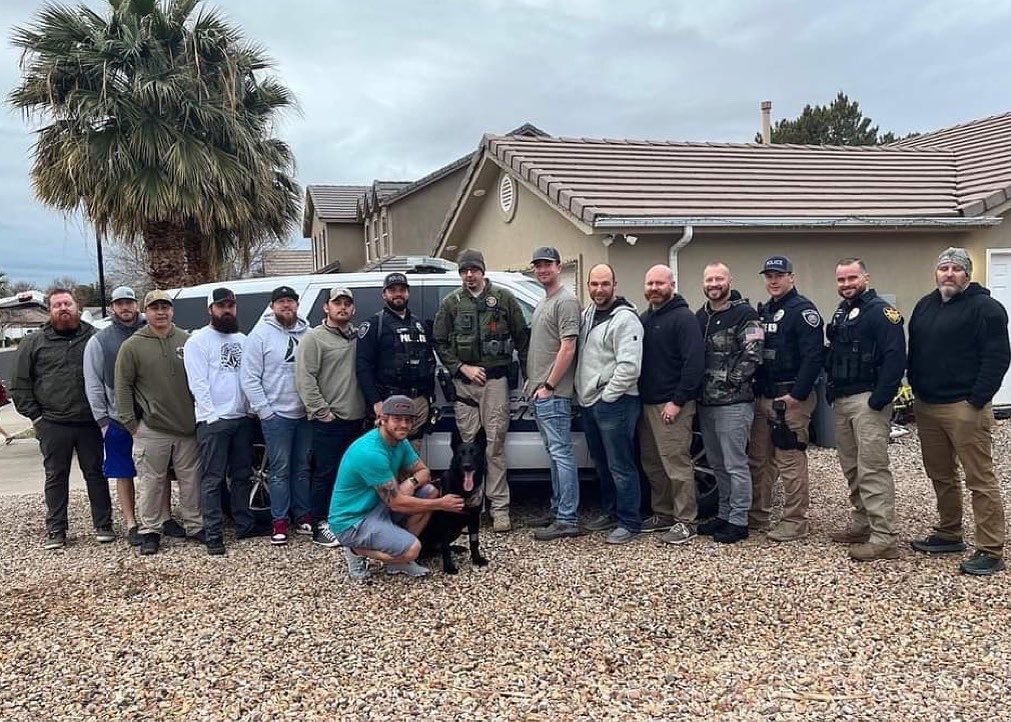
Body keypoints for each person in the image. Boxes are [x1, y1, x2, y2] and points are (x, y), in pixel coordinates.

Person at [907, 247, 1010, 576]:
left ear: (967, 274)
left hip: (965, 407)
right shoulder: (925, 305)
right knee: (941, 475)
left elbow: (997, 358)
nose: (949, 273)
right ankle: (949, 532)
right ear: (935, 273)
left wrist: (977, 400)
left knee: (979, 479)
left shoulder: (987, 309)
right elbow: (917, 351)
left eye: (956, 268)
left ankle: (991, 549)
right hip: (928, 406)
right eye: (943, 268)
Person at [433, 248, 529, 533]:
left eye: (473, 269)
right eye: (464, 271)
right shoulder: (451, 303)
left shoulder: (504, 299)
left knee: (494, 447)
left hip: (495, 383)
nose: (469, 275)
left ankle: (499, 508)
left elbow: (522, 337)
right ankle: (468, 508)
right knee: (467, 451)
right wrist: (461, 367)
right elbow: (439, 341)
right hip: (465, 384)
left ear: (482, 271)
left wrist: (529, 376)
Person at [10, 288, 113, 550]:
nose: (63, 309)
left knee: (96, 474)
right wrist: (36, 418)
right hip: (53, 423)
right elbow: (21, 384)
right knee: (56, 476)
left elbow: (108, 378)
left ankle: (103, 524)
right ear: (50, 310)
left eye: (67, 303)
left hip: (90, 422)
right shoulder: (33, 343)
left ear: (77, 307)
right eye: (57, 305)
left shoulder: (95, 338)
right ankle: (56, 528)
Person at [331, 395, 465, 581]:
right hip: (352, 521)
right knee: (413, 550)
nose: (403, 425)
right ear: (382, 420)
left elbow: (424, 471)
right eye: (397, 419)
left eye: (408, 420)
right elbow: (396, 504)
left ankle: (397, 559)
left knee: (429, 492)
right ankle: (355, 549)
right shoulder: (371, 453)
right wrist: (441, 504)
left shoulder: (400, 442)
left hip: (377, 506)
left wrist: (411, 482)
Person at [825, 259, 906, 561]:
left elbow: (896, 356)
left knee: (872, 467)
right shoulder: (843, 311)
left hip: (868, 400)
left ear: (866, 277)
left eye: (852, 278)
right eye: (841, 279)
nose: (846, 284)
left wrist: (880, 399)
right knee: (852, 468)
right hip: (844, 399)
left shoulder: (882, 312)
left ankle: (884, 538)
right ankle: (863, 523)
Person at [115, 290, 203, 556]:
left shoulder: (187, 341)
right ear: (146, 312)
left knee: (191, 480)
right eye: (155, 308)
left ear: (172, 310)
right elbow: (123, 386)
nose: (161, 312)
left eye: (165, 307)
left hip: (187, 426)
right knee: (152, 482)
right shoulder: (132, 346)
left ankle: (195, 525)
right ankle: (151, 530)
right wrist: (132, 423)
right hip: (152, 428)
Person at [84, 286, 170, 547]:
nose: (125, 308)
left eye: (129, 303)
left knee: (160, 470)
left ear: (137, 305)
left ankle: (164, 517)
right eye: (120, 304)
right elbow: (94, 383)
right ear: (112, 307)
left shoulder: (154, 331)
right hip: (118, 419)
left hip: (155, 417)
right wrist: (103, 422)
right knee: (124, 472)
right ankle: (132, 523)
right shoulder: (100, 341)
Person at [748, 255, 825, 542]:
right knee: (759, 460)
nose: (773, 280)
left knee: (789, 462)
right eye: (768, 275)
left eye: (779, 275)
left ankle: (795, 522)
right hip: (764, 397)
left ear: (791, 277)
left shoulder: (803, 311)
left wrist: (797, 395)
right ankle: (758, 515)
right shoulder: (765, 311)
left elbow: (814, 356)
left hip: (790, 398)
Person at [695, 262, 764, 545]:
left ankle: (739, 520)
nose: (714, 284)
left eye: (719, 279)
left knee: (736, 464)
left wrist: (729, 382)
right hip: (706, 403)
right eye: (709, 279)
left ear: (729, 281)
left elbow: (754, 353)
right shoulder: (702, 316)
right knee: (717, 464)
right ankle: (723, 514)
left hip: (734, 403)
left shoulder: (745, 314)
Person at [184, 287, 255, 556]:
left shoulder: (243, 339)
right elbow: (198, 383)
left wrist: (249, 409)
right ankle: (213, 533)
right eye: (221, 306)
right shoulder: (198, 341)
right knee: (213, 479)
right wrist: (212, 416)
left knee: (241, 475)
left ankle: (244, 524)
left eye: (230, 305)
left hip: (242, 418)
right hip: (213, 421)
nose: (227, 310)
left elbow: (248, 377)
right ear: (210, 310)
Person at [575, 263, 643, 544]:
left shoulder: (625, 320)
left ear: (615, 285)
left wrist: (609, 395)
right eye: (594, 284)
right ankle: (611, 511)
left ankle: (629, 521)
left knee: (621, 465)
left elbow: (629, 367)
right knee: (602, 464)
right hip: (591, 402)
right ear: (587, 286)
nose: (599, 289)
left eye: (605, 284)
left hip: (616, 403)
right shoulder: (588, 314)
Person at [638, 265, 705, 544]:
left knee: (677, 465)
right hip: (647, 404)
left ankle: (686, 521)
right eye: (650, 283)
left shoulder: (683, 318)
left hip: (671, 405)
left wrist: (677, 402)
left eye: (660, 283)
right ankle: (663, 512)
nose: (654, 288)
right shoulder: (645, 318)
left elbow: (694, 364)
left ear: (672, 285)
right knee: (653, 464)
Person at [296, 286, 367, 546]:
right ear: (326, 307)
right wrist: (322, 411)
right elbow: (305, 378)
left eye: (347, 303)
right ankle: (320, 524)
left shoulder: (358, 336)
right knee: (325, 473)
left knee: (352, 474)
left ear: (353, 308)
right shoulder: (314, 338)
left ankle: (345, 519)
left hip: (358, 420)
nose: (343, 307)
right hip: (331, 421)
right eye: (337, 303)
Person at [241, 285, 311, 546]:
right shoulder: (259, 335)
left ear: (297, 305)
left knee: (302, 468)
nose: (286, 306)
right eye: (281, 302)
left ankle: (303, 515)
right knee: (279, 470)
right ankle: (279, 521)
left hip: (305, 414)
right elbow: (249, 377)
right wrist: (265, 411)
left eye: (290, 301)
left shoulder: (309, 333)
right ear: (273, 306)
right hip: (276, 416)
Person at [524, 246, 583, 541]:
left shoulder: (566, 301)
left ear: (559, 267)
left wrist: (548, 386)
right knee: (554, 454)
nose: (542, 270)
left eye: (547, 265)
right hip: (542, 394)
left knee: (562, 454)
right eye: (538, 265)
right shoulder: (544, 301)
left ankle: (567, 518)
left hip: (555, 394)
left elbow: (568, 346)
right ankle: (558, 509)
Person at [356, 272, 436, 452]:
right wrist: (376, 402)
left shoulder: (419, 324)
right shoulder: (374, 325)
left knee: (413, 453)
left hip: (419, 401)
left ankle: (409, 481)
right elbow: (363, 367)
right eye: (392, 290)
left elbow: (428, 360)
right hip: (389, 400)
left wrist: (428, 399)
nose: (398, 294)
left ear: (408, 293)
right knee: (387, 454)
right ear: (384, 295)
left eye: (402, 290)